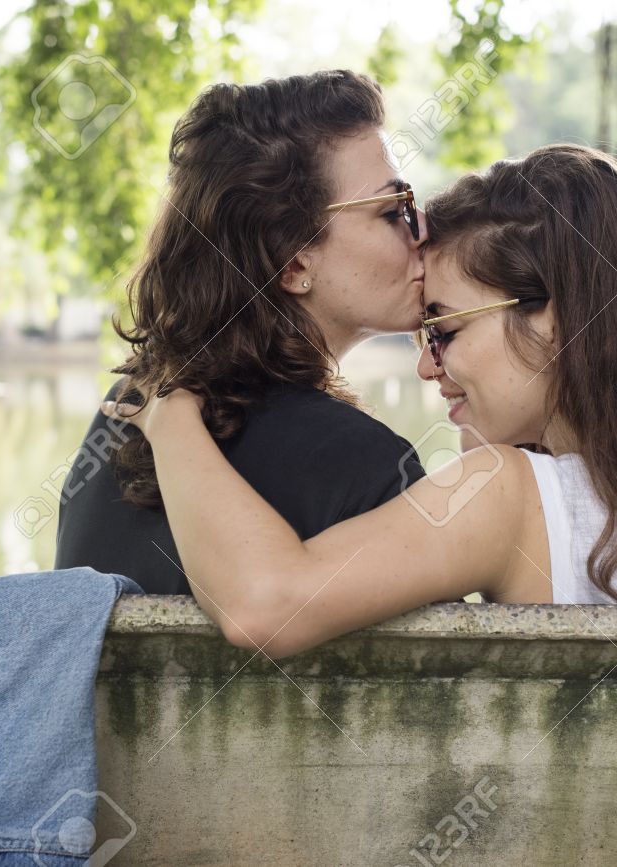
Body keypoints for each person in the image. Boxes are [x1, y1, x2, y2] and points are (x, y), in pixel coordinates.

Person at [100, 143, 617, 657]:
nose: (426, 366)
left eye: (444, 329)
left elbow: (264, 604)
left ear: (554, 318)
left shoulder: (507, 497)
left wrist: (169, 411)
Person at [55, 70, 430, 594]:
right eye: (393, 211)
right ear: (293, 261)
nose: (422, 230)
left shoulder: (126, 414)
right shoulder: (367, 465)